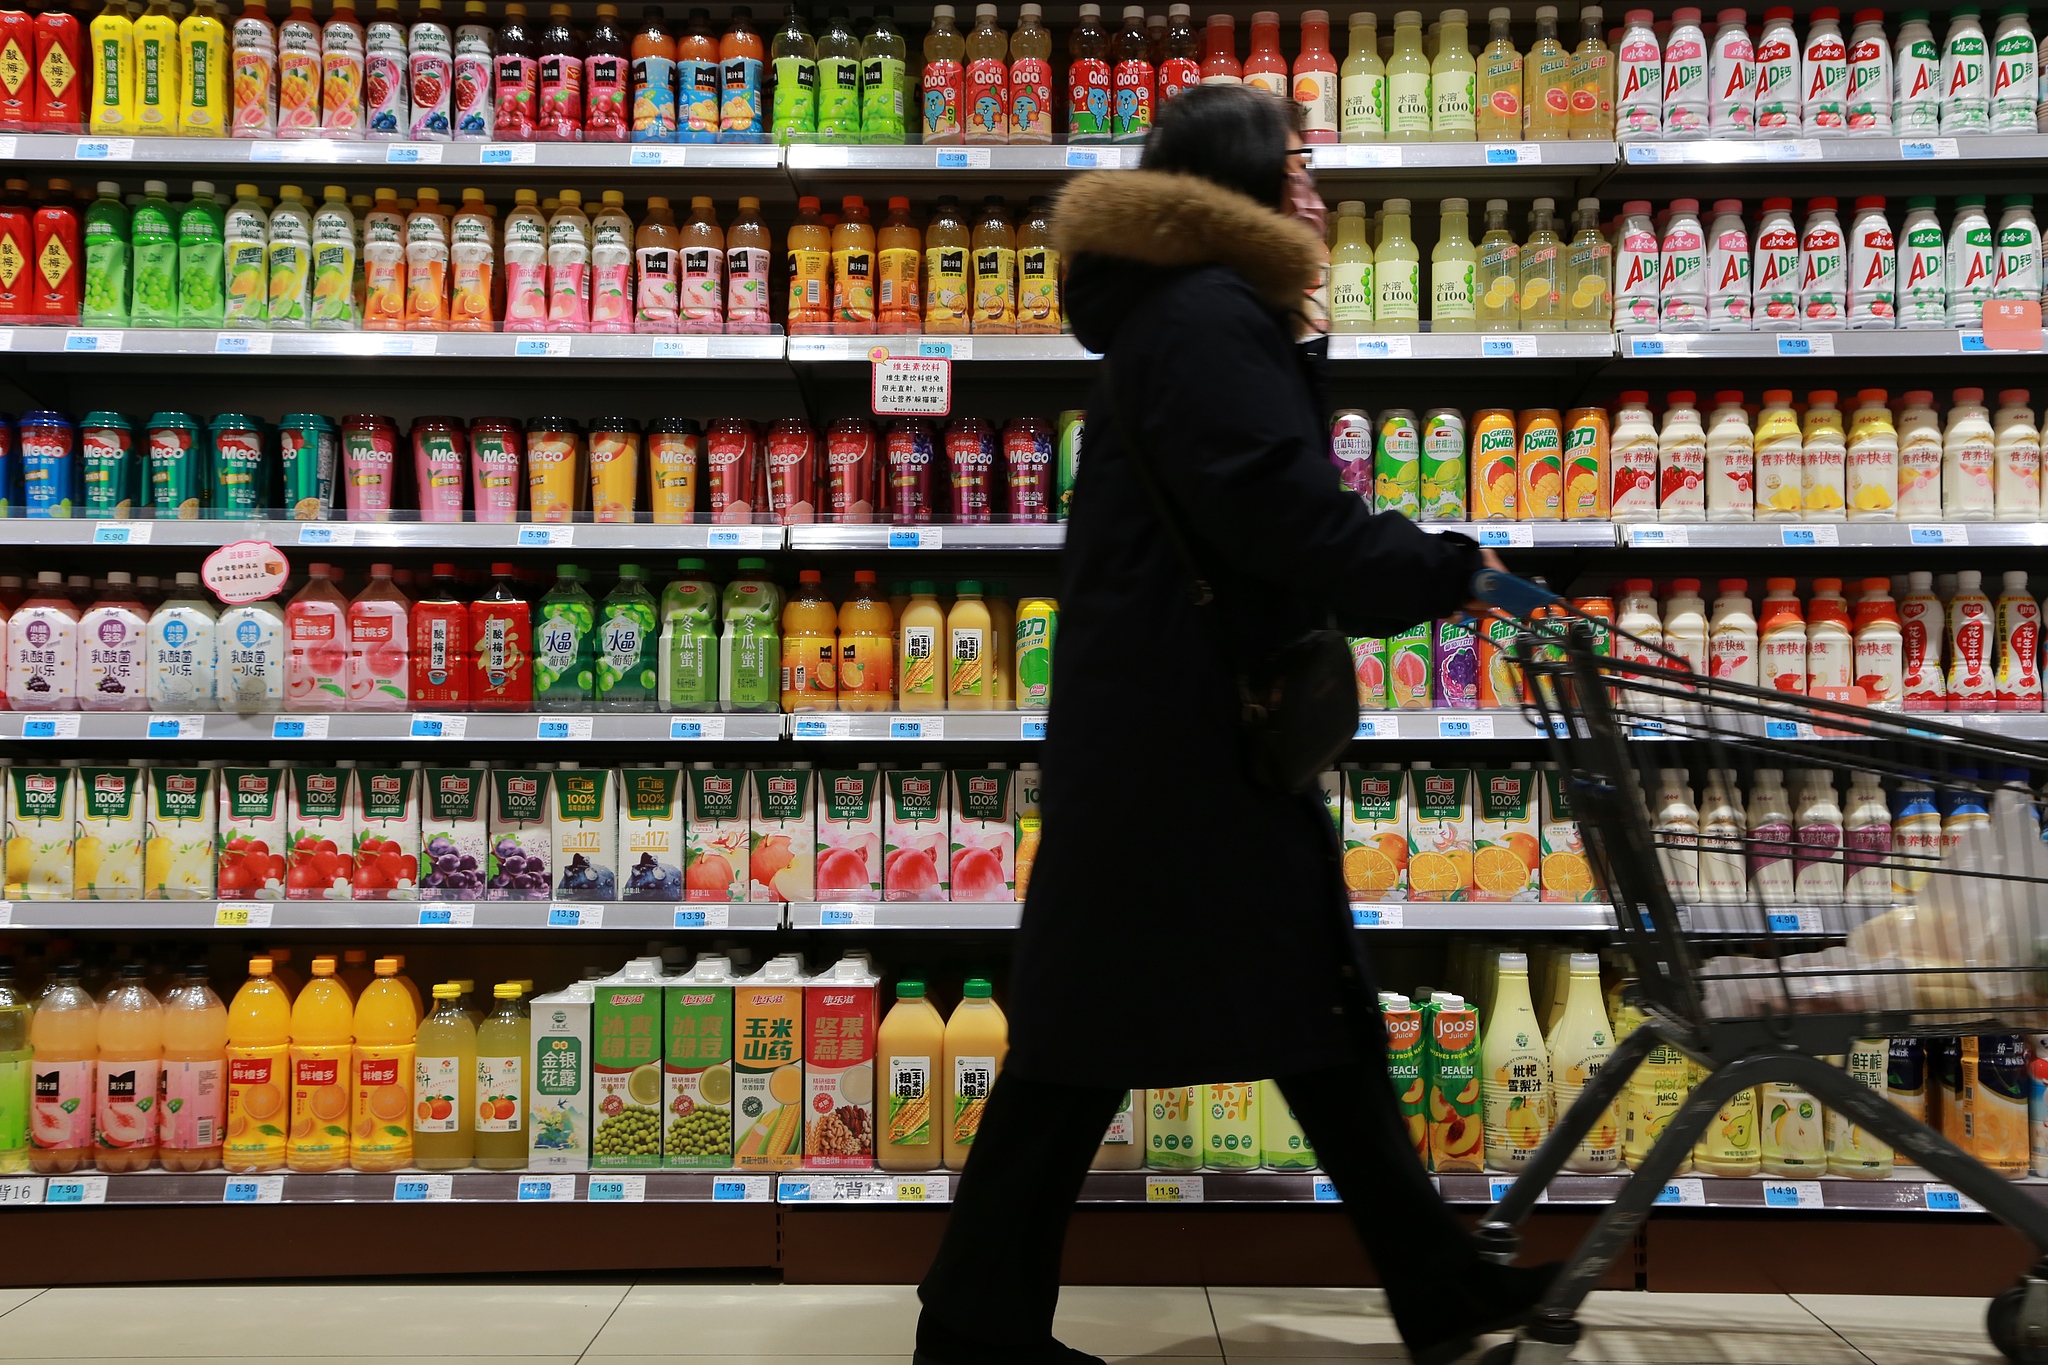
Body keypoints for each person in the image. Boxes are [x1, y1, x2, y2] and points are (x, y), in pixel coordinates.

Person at [912, 85, 1550, 1365]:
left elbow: (1258, 502)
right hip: (1179, 744)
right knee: (1084, 1047)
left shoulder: (1196, 311)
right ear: (1236, 183)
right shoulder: (1204, 319)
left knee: (1299, 1017)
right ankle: (975, 1330)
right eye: (1295, 167)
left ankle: (1431, 1284)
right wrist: (1449, 571)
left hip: (1175, 727)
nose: (1316, 190)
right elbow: (1282, 519)